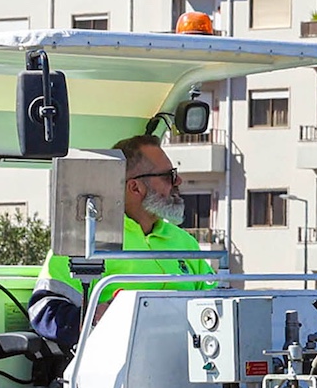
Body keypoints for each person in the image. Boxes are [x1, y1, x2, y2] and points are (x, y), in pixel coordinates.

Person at [28, 133, 210, 347]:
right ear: (135, 187)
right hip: (118, 369)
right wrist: (94, 317)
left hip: (187, 362)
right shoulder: (87, 237)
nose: (178, 181)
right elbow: (44, 309)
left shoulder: (183, 241)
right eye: (169, 175)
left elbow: (216, 298)